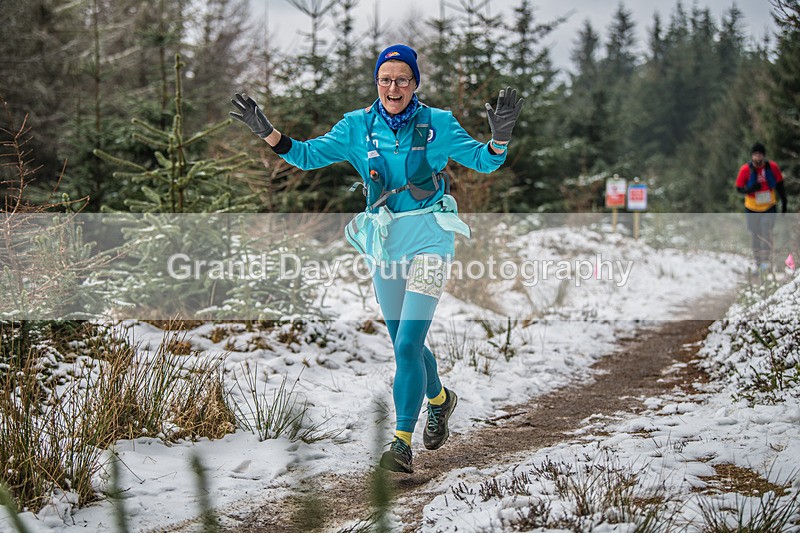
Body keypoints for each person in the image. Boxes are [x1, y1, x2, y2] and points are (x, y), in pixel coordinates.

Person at [230, 44, 523, 473]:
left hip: (429, 239)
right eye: (385, 79)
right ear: (377, 84)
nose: (393, 87)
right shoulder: (356, 126)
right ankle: (440, 400)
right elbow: (308, 155)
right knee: (406, 343)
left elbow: (484, 162)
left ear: (415, 84)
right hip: (384, 244)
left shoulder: (438, 123)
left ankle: (401, 444)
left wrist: (499, 139)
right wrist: (269, 134)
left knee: (407, 343)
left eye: (402, 79)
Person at [735, 142, 787, 272]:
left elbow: (780, 185)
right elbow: (739, 188)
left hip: (769, 206)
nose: (758, 157)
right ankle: (758, 264)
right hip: (752, 208)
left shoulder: (772, 167)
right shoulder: (745, 170)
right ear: (752, 156)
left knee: (766, 232)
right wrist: (750, 189)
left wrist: (784, 201)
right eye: (755, 155)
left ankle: (766, 263)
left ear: (764, 156)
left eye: (760, 155)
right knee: (755, 235)